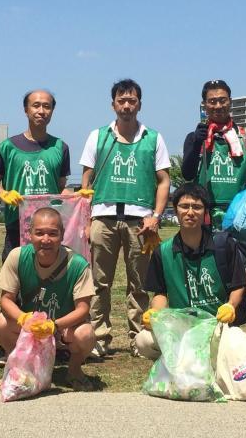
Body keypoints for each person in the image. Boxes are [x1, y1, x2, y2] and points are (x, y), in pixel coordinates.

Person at [79, 79, 170, 358]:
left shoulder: (153, 138)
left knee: (140, 283)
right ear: (113, 104)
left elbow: (164, 180)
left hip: (140, 221)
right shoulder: (98, 136)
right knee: (98, 282)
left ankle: (138, 338)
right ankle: (98, 337)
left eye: (132, 100)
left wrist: (156, 216)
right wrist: (86, 219)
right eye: (121, 100)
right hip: (103, 217)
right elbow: (86, 180)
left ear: (140, 104)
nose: (127, 105)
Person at [135, 183, 246, 359]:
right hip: (181, 327)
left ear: (205, 213)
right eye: (184, 206)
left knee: (240, 343)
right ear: (175, 209)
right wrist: (156, 313)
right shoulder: (162, 252)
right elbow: (160, 292)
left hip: (217, 325)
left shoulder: (224, 245)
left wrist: (230, 306)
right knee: (144, 341)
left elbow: (238, 284)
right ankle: (174, 366)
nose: (190, 212)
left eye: (197, 207)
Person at [0, 207, 96, 390]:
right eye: (39, 233)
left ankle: (74, 371)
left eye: (53, 234)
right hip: (31, 326)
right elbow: (6, 300)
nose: (46, 240)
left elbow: (83, 309)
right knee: (1, 322)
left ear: (62, 235)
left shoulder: (78, 264)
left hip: (64, 327)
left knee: (86, 334)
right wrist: (24, 319)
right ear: (30, 233)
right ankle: (19, 369)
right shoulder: (17, 256)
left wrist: (54, 326)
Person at [0, 90, 76, 262]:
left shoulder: (60, 147)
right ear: (26, 110)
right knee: (15, 277)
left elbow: (60, 188)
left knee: (50, 276)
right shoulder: (8, 147)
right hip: (17, 223)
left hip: (49, 226)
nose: (41, 111)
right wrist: (4, 194)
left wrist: (76, 196)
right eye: (36, 105)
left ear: (52, 111)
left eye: (47, 106)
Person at [182, 80, 246, 229]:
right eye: (212, 101)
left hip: (239, 214)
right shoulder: (194, 137)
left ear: (230, 102)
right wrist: (197, 143)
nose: (218, 106)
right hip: (205, 215)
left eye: (222, 101)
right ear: (204, 105)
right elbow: (187, 174)